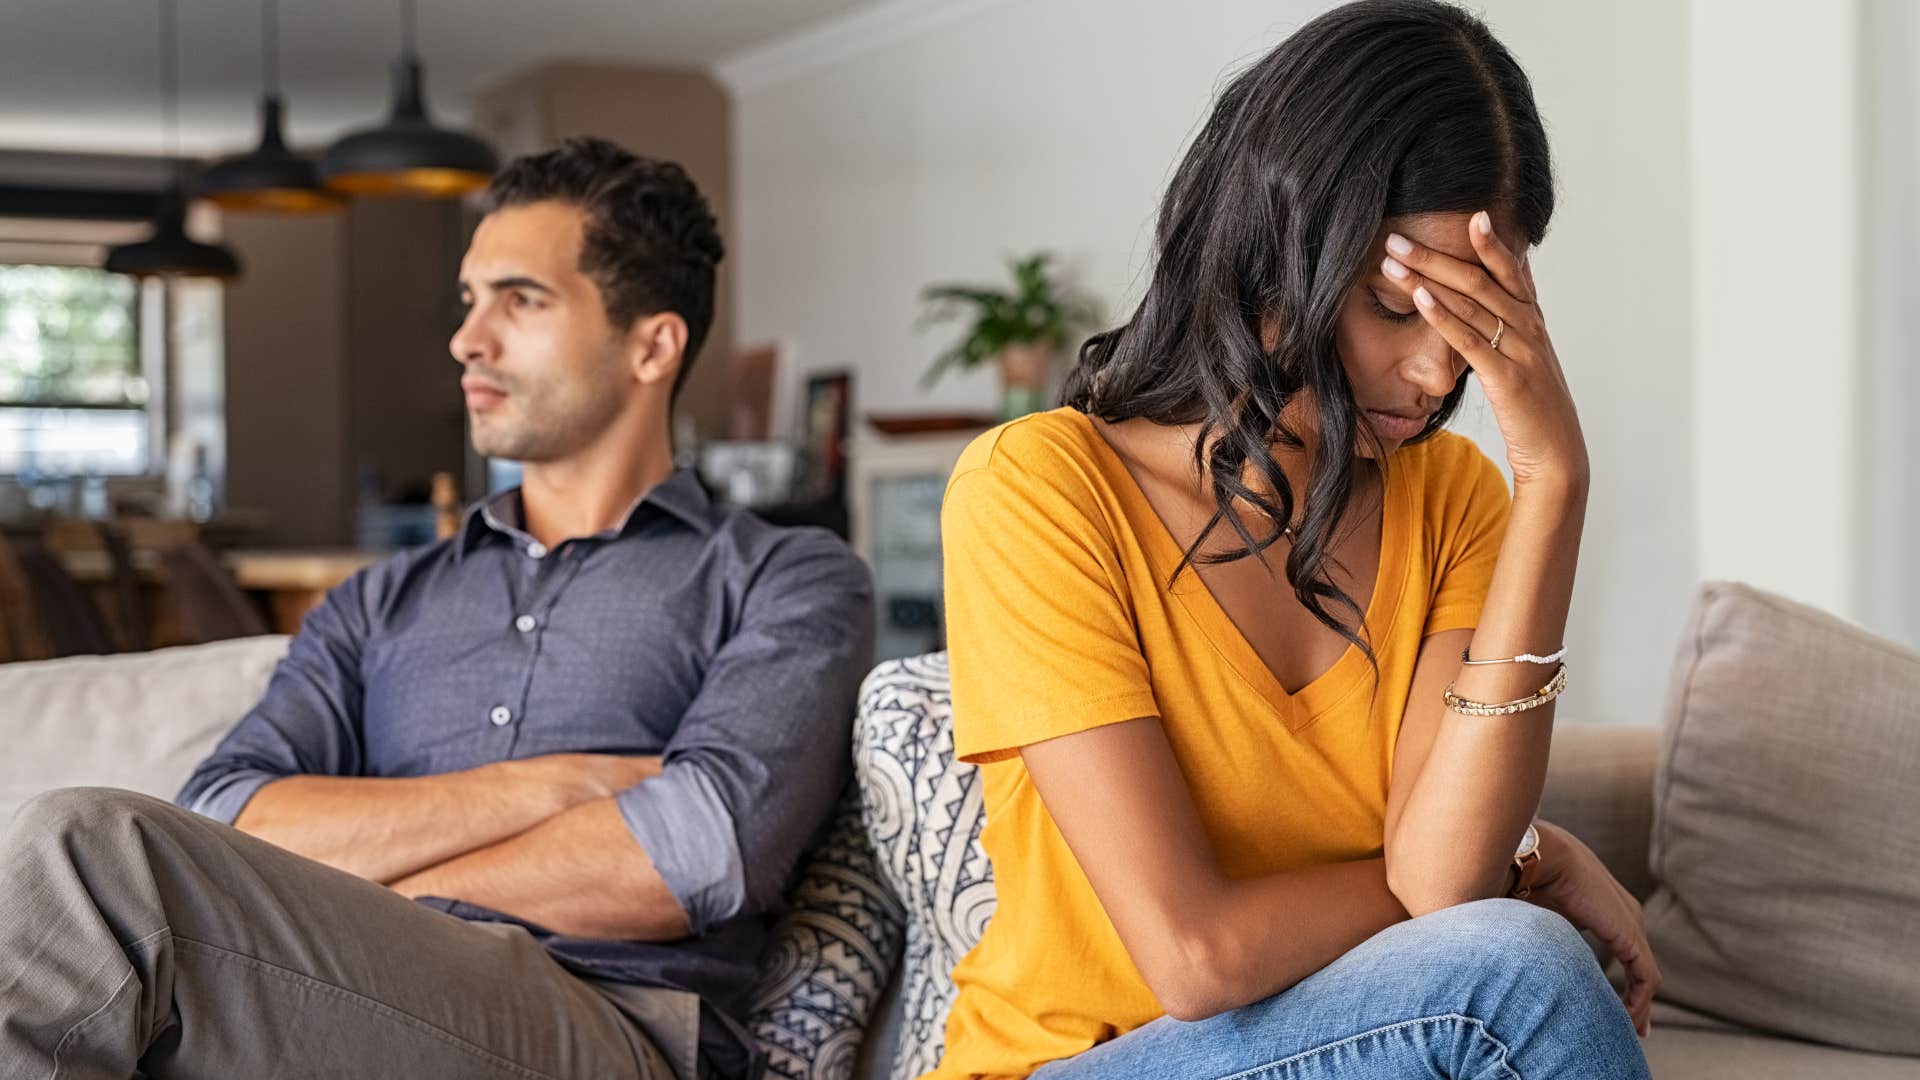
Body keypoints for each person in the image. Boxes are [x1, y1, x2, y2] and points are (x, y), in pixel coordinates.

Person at [0, 137, 874, 1079]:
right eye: (470, 300)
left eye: (520, 299)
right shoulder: (382, 600)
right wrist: (555, 787)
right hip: (346, 996)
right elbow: (228, 810)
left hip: (610, 1025)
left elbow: (695, 849)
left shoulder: (789, 576)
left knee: (90, 849)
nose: (468, 338)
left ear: (651, 344)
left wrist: (371, 890)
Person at [931, 2, 1659, 1077]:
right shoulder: (1039, 490)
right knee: (1516, 974)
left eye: (1476, 319)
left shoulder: (1452, 497)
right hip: (1080, 1062)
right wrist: (1518, 866)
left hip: (1341, 1037)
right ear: (1272, 252)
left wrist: (1555, 479)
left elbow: (1442, 886)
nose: (1440, 372)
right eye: (1392, 306)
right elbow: (1195, 957)